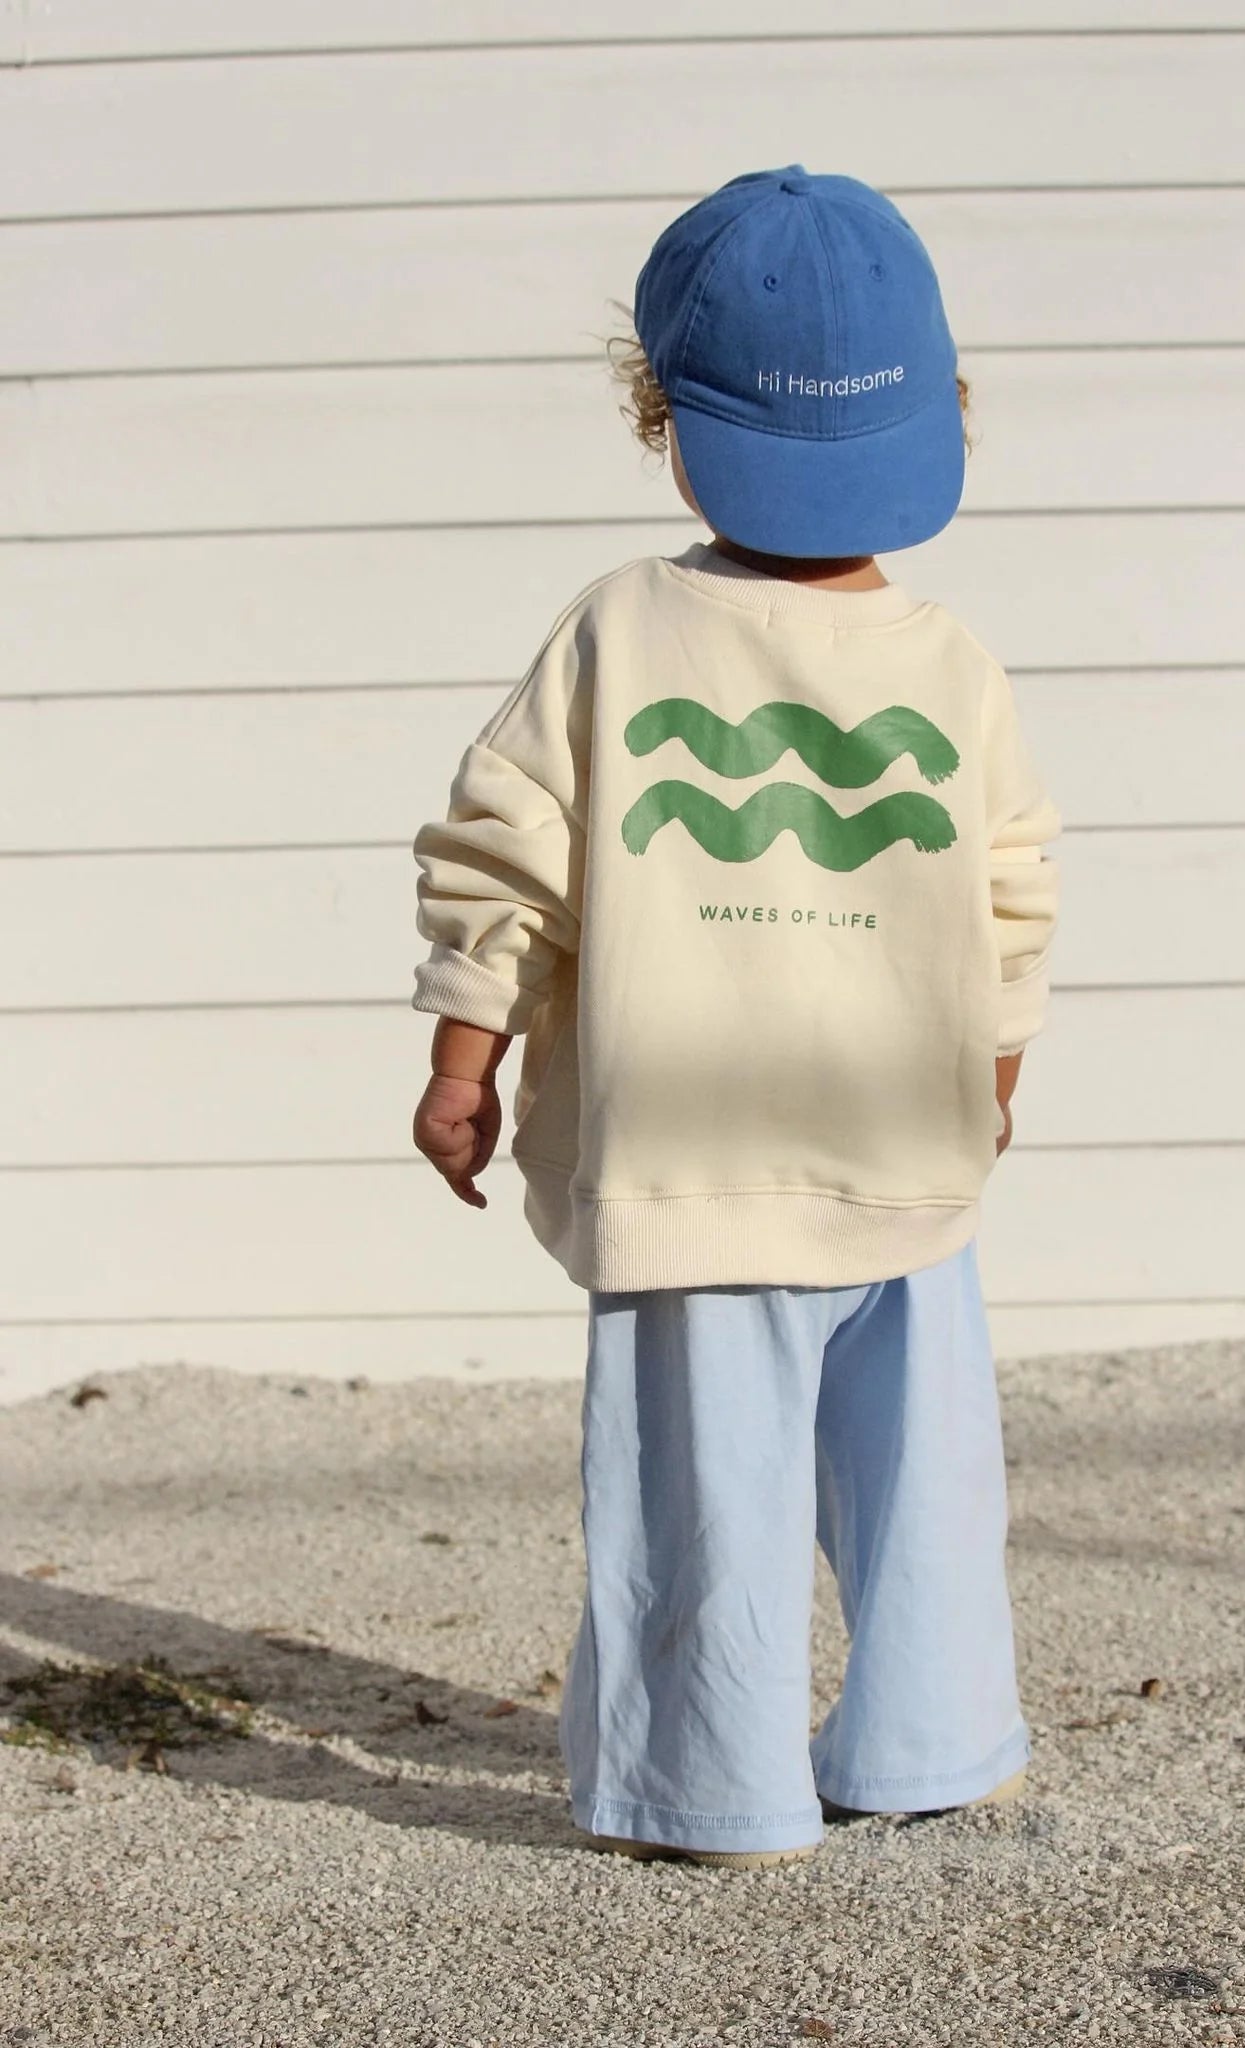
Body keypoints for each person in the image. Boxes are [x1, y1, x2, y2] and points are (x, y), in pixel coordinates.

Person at [409, 165, 1062, 1871]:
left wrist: (462, 1054)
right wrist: (990, 1078)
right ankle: (923, 1742)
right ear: (939, 414)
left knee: (701, 1500)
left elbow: (507, 852)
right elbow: (1009, 896)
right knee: (925, 1488)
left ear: (667, 420)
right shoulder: (950, 659)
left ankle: (713, 1788)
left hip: (693, 1173)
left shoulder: (621, 630)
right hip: (906, 1165)